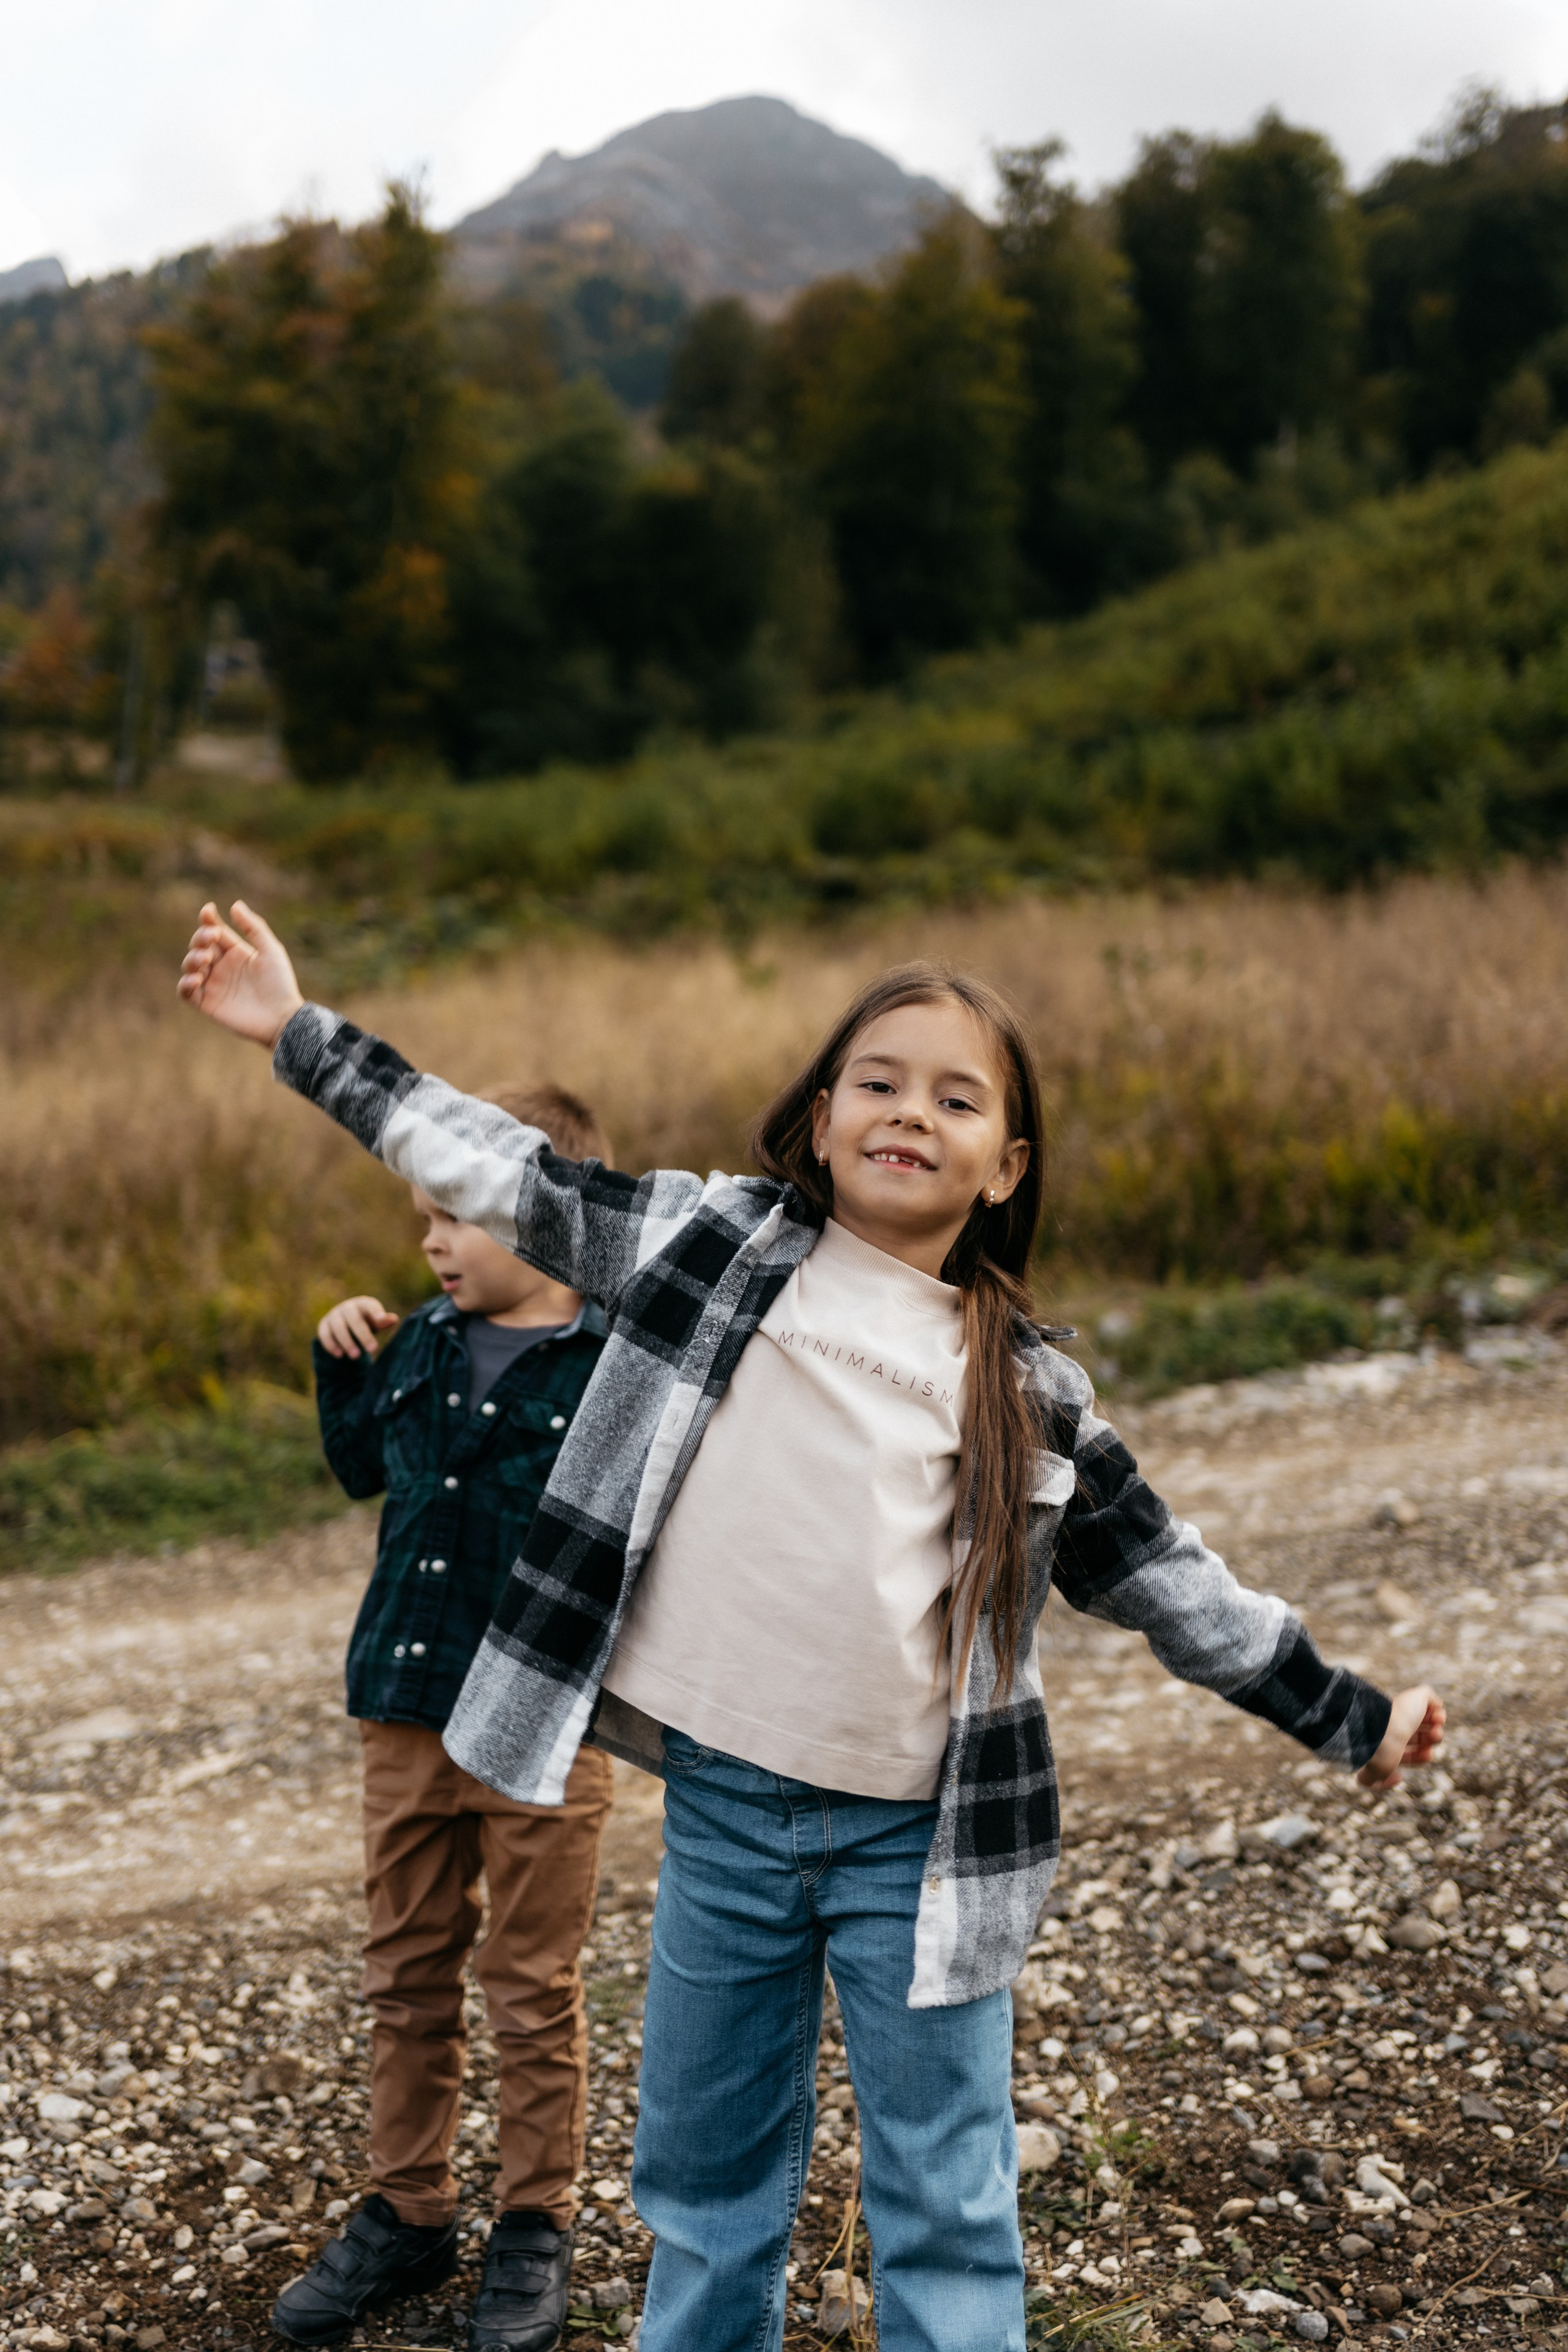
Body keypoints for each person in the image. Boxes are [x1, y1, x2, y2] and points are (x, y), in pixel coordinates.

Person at [179, 901, 1446, 2352]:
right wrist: (294, 1027)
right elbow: (493, 1162)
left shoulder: (1023, 1389)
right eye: (881, 1080)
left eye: (957, 1098)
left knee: (946, 2200)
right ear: (826, 1109)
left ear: (1004, 1165)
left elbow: (1179, 1591)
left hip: (919, 1847)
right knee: (704, 2195)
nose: (912, 1111)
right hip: (722, 1819)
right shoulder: (700, 1243)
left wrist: (1348, 1716)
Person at [273, 1078, 616, 2352]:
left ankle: (536, 2223)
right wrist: (336, 1359)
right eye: (420, 1216)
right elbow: (362, 1466)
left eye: (454, 1217)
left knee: (530, 1982)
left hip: (543, 1728)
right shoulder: (417, 1340)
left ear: (551, 1225)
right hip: (405, 1711)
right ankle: (408, 2209)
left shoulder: (609, 1371)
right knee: (406, 1972)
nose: (429, 1242)